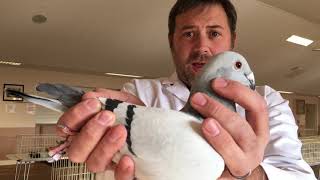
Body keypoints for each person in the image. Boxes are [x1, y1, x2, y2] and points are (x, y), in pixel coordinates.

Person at [56, 0, 316, 179]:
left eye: (214, 34)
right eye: (189, 34)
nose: (202, 47)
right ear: (172, 42)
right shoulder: (139, 93)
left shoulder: (267, 101)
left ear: (233, 41)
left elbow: (299, 176)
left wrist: (251, 176)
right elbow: (112, 170)